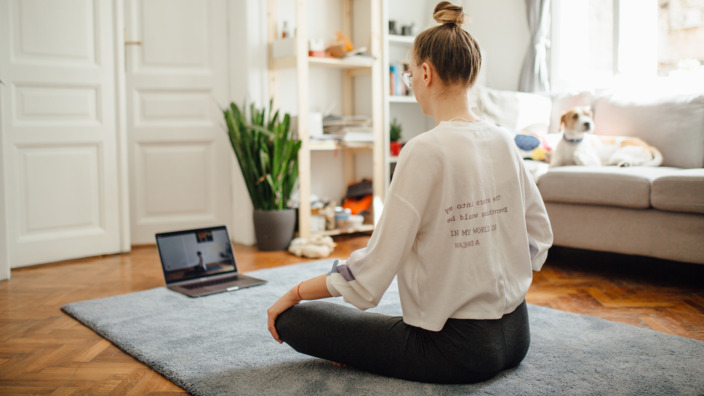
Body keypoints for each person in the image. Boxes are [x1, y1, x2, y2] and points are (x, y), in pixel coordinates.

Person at [267, 1, 553, 384]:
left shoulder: (424, 150)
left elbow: (369, 279)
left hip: (455, 352)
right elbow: (539, 237)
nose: (412, 86)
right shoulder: (503, 139)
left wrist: (296, 292)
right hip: (518, 336)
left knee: (294, 320)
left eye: (409, 78)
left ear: (425, 72)